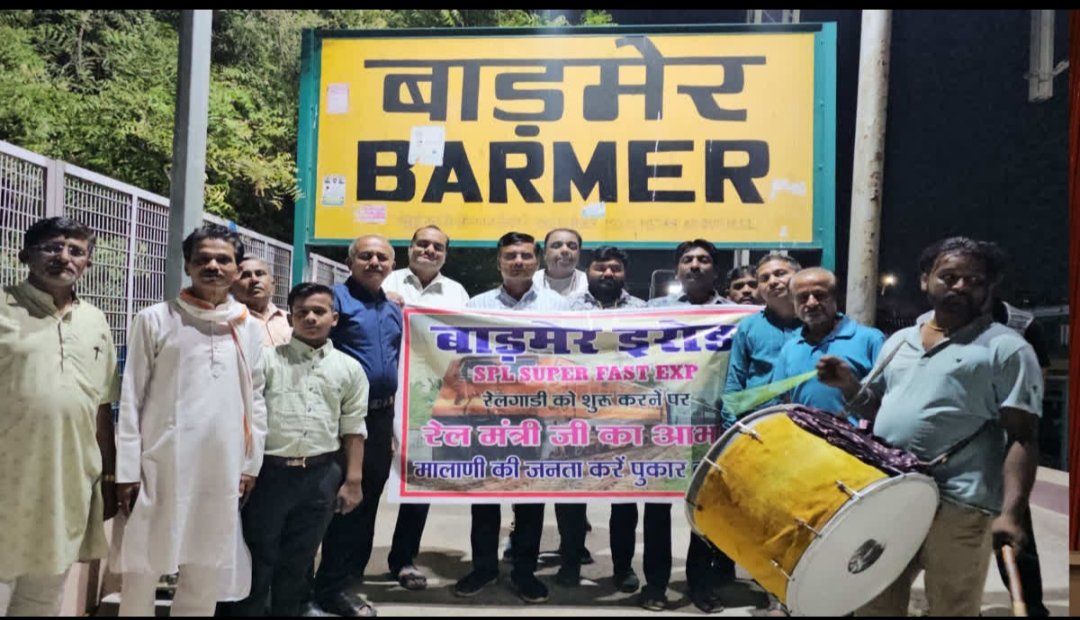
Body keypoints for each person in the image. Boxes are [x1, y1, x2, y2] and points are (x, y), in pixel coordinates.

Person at [818, 237, 1043, 617]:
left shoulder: (1007, 349)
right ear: (925, 280)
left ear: (989, 288)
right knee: (873, 602)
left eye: (974, 280)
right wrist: (849, 386)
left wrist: (1011, 512)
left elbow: (1023, 436)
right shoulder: (900, 341)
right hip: (893, 496)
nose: (960, 286)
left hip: (960, 502)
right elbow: (876, 406)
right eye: (949, 277)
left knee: (952, 608)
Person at [114, 224, 268, 617]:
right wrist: (127, 470)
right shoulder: (155, 319)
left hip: (221, 467)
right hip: (159, 464)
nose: (213, 266)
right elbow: (131, 396)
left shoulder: (247, 326)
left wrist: (250, 464)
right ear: (187, 265)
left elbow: (256, 398)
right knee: (142, 566)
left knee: (205, 568)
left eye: (223, 260)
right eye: (203, 259)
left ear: (236, 269)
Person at [0, 217, 119, 616]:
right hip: (7, 483)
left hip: (65, 487)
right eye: (52, 247)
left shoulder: (95, 321)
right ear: (25, 255)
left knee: (42, 601)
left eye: (76, 251)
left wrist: (108, 478)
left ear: (87, 262)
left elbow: (102, 406)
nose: (64, 257)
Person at [232, 283, 369, 616]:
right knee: (257, 556)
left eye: (319, 311)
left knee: (299, 559)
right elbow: (244, 418)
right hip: (268, 475)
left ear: (334, 318)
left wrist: (353, 480)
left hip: (320, 476)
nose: (310, 318)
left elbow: (354, 427)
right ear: (290, 317)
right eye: (302, 312)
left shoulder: (349, 368)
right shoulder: (266, 361)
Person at [453, 232, 570, 605]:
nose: (518, 261)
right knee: (484, 496)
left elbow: (571, 360)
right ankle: (484, 568)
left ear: (537, 261)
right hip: (488, 418)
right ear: (499, 261)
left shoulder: (559, 307)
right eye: (510, 256)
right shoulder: (477, 305)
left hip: (536, 417)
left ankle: (524, 572)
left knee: (531, 499)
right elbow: (461, 358)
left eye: (525, 255)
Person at [568, 247, 673, 605]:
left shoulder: (644, 312)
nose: (608, 273)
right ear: (589, 271)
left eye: (615, 268)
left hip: (632, 417)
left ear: (624, 273)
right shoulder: (567, 310)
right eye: (601, 267)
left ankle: (622, 569)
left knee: (625, 499)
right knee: (572, 492)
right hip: (580, 414)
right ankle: (570, 562)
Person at [312, 235, 402, 618]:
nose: (374, 262)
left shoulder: (394, 308)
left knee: (363, 504)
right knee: (330, 504)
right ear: (350, 262)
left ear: (392, 266)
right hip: (338, 420)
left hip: (379, 420)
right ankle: (316, 588)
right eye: (366, 255)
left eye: (382, 257)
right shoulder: (332, 301)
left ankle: (344, 582)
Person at [646, 239, 736, 613]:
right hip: (662, 425)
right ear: (678, 269)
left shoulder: (735, 315)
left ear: (715, 270)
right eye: (687, 260)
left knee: (703, 510)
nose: (695, 265)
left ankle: (700, 585)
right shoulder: (653, 312)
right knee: (656, 511)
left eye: (703, 260)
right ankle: (655, 586)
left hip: (710, 427)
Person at [380, 225, 468, 591]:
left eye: (437, 246)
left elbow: (466, 344)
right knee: (364, 485)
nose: (429, 250)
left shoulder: (457, 293)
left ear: (445, 254)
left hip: (425, 400)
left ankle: (403, 559)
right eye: (422, 244)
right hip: (381, 396)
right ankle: (346, 563)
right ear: (410, 247)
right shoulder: (385, 282)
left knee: (418, 483)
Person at [989, 298, 1050, 617]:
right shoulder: (942, 321)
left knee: (1013, 531)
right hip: (957, 450)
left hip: (1005, 444)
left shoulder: (1023, 325)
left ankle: (1031, 607)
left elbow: (1036, 384)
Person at [771, 268, 885, 420]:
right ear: (793, 302)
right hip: (801, 434)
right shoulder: (790, 347)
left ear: (835, 297)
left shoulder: (870, 340)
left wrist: (850, 384)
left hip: (853, 435)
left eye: (819, 295)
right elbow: (780, 400)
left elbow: (886, 403)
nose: (811, 303)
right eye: (802, 297)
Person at [723, 253, 804, 424]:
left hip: (811, 423)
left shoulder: (819, 323)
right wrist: (732, 429)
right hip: (759, 425)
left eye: (780, 274)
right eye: (764, 278)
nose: (772, 282)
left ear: (799, 277)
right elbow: (735, 383)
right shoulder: (748, 327)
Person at [231, 257, 291, 346]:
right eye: (245, 275)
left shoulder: (289, 320)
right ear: (232, 288)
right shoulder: (227, 324)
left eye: (259, 273)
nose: (254, 280)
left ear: (273, 285)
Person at [531, 228, 588, 297]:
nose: (565, 250)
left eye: (572, 246)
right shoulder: (530, 281)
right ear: (545, 253)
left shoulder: (588, 283)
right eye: (556, 246)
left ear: (579, 254)